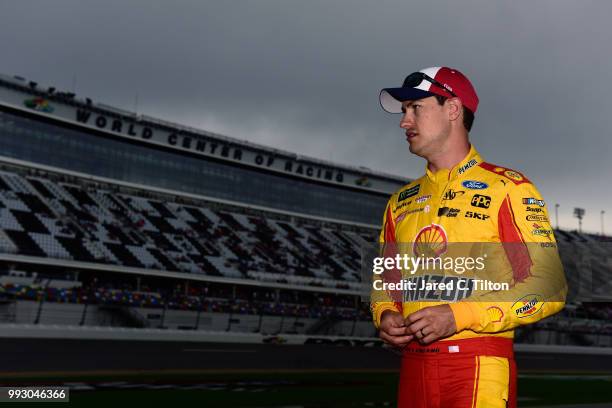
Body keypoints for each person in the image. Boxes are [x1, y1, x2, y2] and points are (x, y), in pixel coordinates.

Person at [370, 67, 567, 408]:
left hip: (478, 367)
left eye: (416, 108)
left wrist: (459, 316)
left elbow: (549, 289)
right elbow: (386, 280)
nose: (404, 122)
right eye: (403, 112)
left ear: (453, 110)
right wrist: (386, 314)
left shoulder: (507, 188)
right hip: (412, 370)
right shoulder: (398, 202)